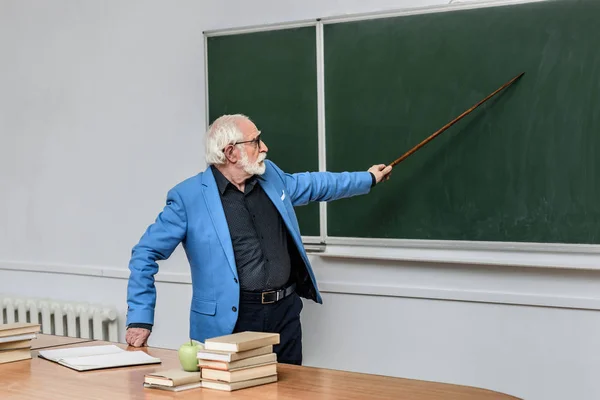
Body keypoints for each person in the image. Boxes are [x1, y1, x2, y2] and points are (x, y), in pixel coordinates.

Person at [125, 114, 392, 364]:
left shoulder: (271, 177)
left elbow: (315, 185)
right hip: (233, 320)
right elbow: (145, 253)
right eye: (255, 142)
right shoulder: (188, 197)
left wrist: (367, 179)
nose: (264, 147)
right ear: (230, 152)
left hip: (284, 313)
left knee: (292, 392)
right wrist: (140, 319)